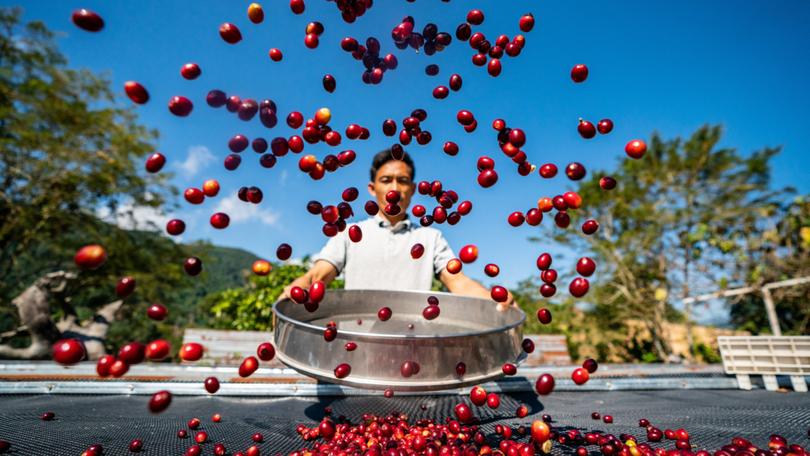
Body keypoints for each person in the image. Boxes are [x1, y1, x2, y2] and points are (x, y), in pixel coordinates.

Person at [282, 149, 515, 310]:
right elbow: (319, 274)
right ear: (372, 189)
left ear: (413, 189)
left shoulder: (429, 237)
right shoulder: (349, 233)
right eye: (386, 180)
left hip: (412, 345)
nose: (395, 188)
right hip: (357, 344)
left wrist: (493, 298)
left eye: (402, 181)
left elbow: (458, 282)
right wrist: (299, 286)